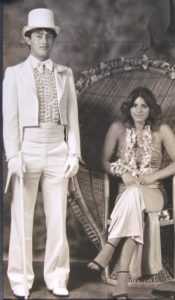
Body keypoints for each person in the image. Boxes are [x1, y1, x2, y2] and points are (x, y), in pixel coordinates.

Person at [3, 8, 81, 298]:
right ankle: (21, 280)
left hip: (58, 148)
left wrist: (73, 153)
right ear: (28, 39)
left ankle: (57, 277)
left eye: (48, 35)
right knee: (22, 218)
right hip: (28, 149)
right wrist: (14, 155)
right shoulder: (15, 74)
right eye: (38, 35)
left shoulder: (65, 73)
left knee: (57, 218)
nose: (44, 40)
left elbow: (72, 117)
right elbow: (9, 119)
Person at [87, 87, 175, 299]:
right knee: (132, 199)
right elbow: (103, 161)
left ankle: (109, 248)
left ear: (151, 109)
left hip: (153, 194)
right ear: (128, 107)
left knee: (135, 196)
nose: (139, 110)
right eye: (135, 105)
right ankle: (122, 284)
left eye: (144, 106)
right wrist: (121, 173)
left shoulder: (162, 130)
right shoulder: (117, 128)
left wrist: (154, 176)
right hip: (126, 194)